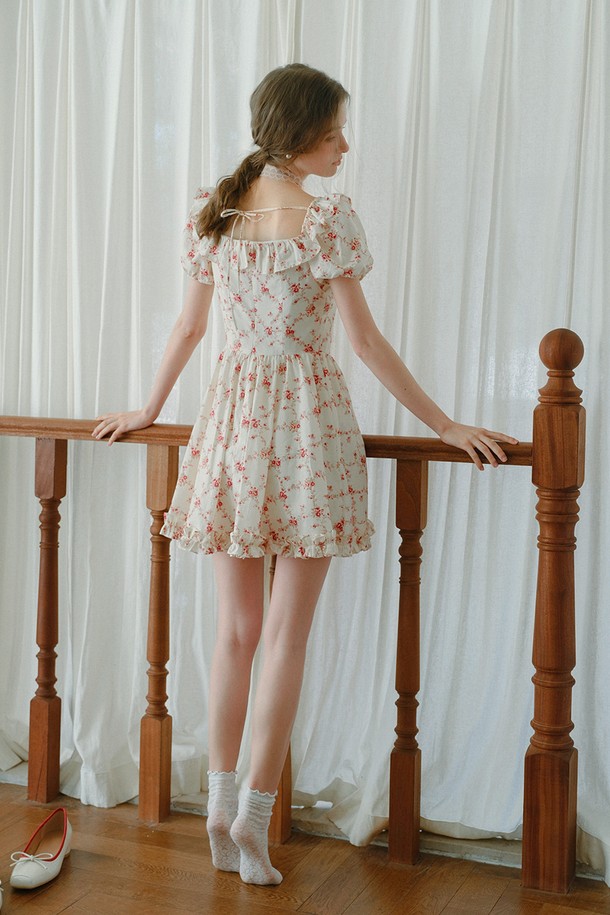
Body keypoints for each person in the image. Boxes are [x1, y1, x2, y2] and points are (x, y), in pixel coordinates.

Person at [93, 63, 517, 886]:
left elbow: (188, 330)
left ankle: (217, 802)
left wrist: (148, 408)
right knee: (285, 635)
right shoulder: (324, 220)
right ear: (298, 137)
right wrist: (446, 425)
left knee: (235, 633)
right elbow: (364, 343)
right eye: (334, 134)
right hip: (307, 430)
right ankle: (251, 816)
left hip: (231, 427)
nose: (344, 148)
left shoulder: (215, 214)